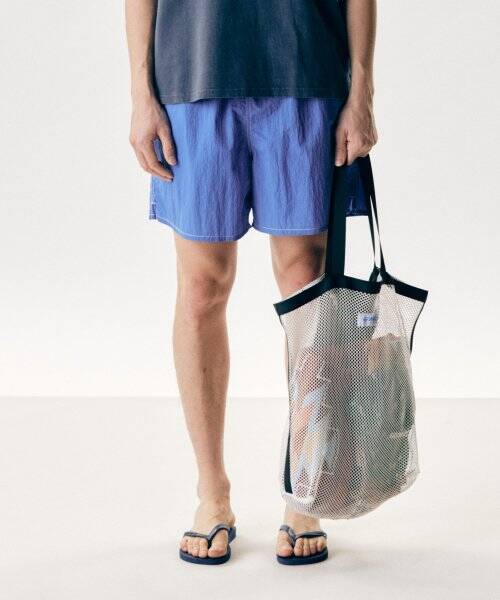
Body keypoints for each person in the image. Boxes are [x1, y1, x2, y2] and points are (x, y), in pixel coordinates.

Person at [125, 0, 377, 565]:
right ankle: (211, 490)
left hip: (304, 69)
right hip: (192, 76)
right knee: (201, 287)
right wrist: (141, 93)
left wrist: (361, 89)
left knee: (307, 288)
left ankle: (306, 484)